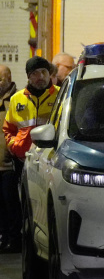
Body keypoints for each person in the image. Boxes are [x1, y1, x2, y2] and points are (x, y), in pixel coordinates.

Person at [2, 57, 58, 253]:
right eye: (35, 73)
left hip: (49, 161)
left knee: (42, 206)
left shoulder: (59, 96)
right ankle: (21, 241)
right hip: (22, 160)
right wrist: (14, 146)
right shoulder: (17, 99)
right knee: (19, 205)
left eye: (43, 72)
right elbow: (8, 128)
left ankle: (41, 244)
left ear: (49, 73)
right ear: (28, 77)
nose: (40, 77)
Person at [0, 65, 18, 251]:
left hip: (10, 165)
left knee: (11, 205)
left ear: (9, 79)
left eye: (0, 79)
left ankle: (14, 239)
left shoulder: (16, 101)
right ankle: (4, 237)